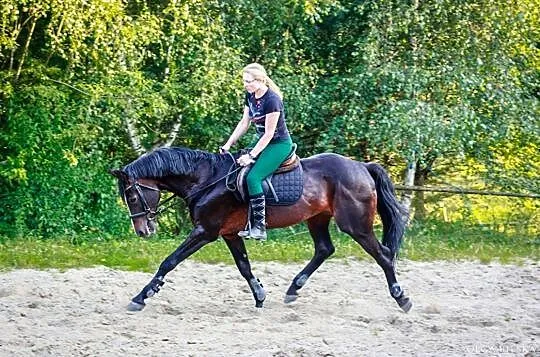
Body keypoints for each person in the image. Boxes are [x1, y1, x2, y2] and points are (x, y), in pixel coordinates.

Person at [220, 63, 293, 240]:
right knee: (237, 171)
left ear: (260, 81)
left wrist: (251, 156)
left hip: (278, 144)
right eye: (244, 81)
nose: (245, 85)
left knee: (253, 177)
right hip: (261, 141)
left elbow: (269, 134)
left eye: (248, 81)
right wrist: (228, 144)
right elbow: (244, 123)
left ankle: (259, 227)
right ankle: (246, 220)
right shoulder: (250, 96)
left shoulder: (272, 100)